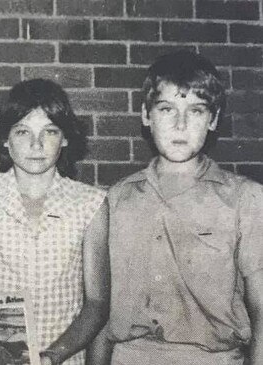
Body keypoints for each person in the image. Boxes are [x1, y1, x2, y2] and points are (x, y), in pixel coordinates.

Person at [94, 50, 263, 365]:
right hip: (129, 356)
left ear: (213, 120)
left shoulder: (247, 200)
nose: (180, 124)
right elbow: (100, 309)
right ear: (146, 115)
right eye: (166, 108)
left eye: (196, 111)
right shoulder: (117, 199)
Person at [0, 79, 110, 365]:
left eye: (49, 131)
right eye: (23, 131)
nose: (36, 144)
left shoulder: (91, 203)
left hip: (63, 357)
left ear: (64, 138)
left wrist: (52, 356)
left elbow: (97, 304)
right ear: (4, 138)